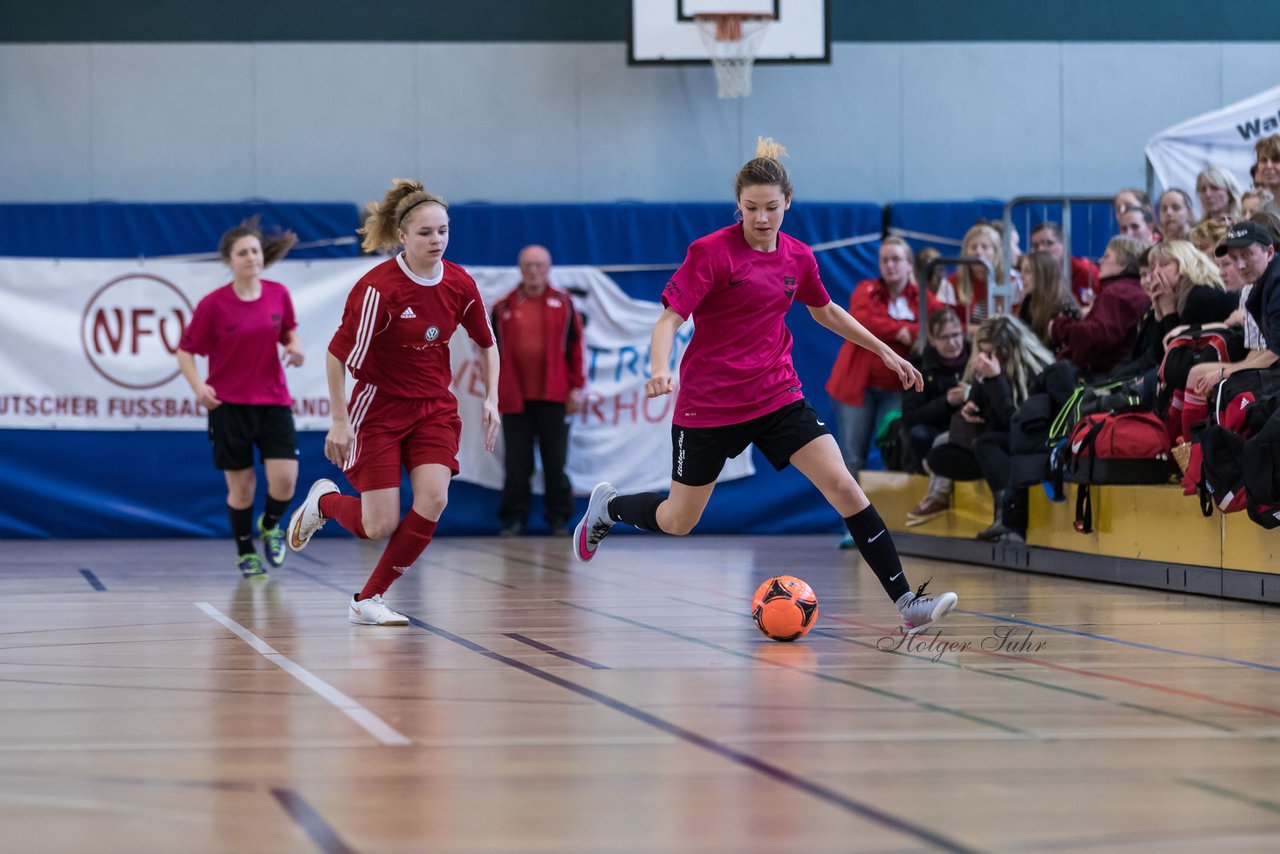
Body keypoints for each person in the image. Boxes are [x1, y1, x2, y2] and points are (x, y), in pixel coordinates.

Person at [570, 139, 958, 636]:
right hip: (708, 406)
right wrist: (660, 366)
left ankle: (907, 602)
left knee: (843, 485)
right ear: (739, 205)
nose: (761, 218)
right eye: (751, 208)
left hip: (778, 394)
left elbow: (825, 311)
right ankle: (609, 507)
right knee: (677, 520)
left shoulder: (798, 257)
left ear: (787, 203)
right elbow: (669, 318)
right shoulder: (710, 253)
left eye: (771, 208)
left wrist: (883, 349)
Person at [286, 179, 500, 626]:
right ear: (402, 236)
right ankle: (324, 503)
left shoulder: (460, 283)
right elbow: (336, 356)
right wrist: (339, 421)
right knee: (377, 524)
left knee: (434, 499)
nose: (436, 240)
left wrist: (492, 400)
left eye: (443, 230)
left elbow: (487, 343)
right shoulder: (378, 289)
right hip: (379, 410)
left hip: (434, 408)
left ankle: (369, 598)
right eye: (425, 233)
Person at [177, 218, 302, 580]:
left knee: (285, 482)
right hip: (229, 406)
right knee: (242, 487)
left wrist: (294, 347)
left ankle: (272, 524)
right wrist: (199, 387)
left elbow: (289, 332)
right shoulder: (214, 305)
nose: (251, 257)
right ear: (229, 261)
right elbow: (185, 351)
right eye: (243, 252)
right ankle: (246, 551)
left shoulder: (278, 293)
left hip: (274, 402)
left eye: (255, 251)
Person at [826, 237, 942, 483]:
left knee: (896, 450)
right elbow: (862, 322)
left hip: (898, 390)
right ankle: (852, 521)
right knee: (852, 458)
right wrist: (907, 332)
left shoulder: (923, 297)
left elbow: (939, 325)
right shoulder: (866, 290)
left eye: (896, 259)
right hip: (856, 388)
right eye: (885, 260)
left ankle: (889, 518)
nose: (890, 265)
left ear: (910, 264)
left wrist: (909, 332)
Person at [491, 245, 586, 537]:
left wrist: (576, 388)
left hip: (554, 396)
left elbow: (576, 348)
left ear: (549, 268)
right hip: (514, 397)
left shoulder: (564, 304)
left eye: (540, 266)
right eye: (529, 265)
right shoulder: (502, 307)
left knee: (555, 461)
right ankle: (513, 519)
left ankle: (559, 520)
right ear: (520, 268)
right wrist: (492, 394)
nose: (534, 271)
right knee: (517, 464)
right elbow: (489, 354)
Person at [949, 315, 1056, 542]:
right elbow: (989, 415)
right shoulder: (984, 370)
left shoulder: (1035, 370)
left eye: (996, 352)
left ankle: (1008, 515)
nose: (990, 358)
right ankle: (1005, 514)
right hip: (999, 438)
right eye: (985, 352)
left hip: (1035, 439)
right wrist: (973, 408)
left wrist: (996, 380)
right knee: (942, 448)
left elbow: (1017, 423)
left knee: (987, 445)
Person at [901, 307, 970, 526]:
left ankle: (937, 493)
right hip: (936, 430)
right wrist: (946, 402)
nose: (953, 343)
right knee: (918, 435)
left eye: (956, 335)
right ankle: (933, 475)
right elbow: (911, 416)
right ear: (932, 339)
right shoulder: (921, 366)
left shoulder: (978, 359)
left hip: (967, 428)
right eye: (945, 337)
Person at [1048, 235, 1150, 378]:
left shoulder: (1117, 293)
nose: (1100, 261)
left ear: (1124, 264)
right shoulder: (1133, 290)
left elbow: (1097, 335)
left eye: (1107, 256)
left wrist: (1059, 327)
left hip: (1100, 377)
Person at [938, 222, 1007, 326]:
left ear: (996, 252)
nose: (978, 252)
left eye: (984, 247)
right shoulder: (950, 283)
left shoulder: (1011, 281)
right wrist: (978, 330)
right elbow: (942, 324)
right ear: (965, 253)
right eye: (973, 247)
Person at [1016, 250, 1080, 348]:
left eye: (1027, 272)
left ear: (1043, 275)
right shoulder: (1028, 301)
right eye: (1021, 271)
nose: (1021, 276)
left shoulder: (1065, 306)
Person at [1029, 221, 1098, 307]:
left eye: (1048, 243)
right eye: (1035, 246)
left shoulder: (1084, 271)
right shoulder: (1034, 275)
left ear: (1064, 244)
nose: (1040, 249)